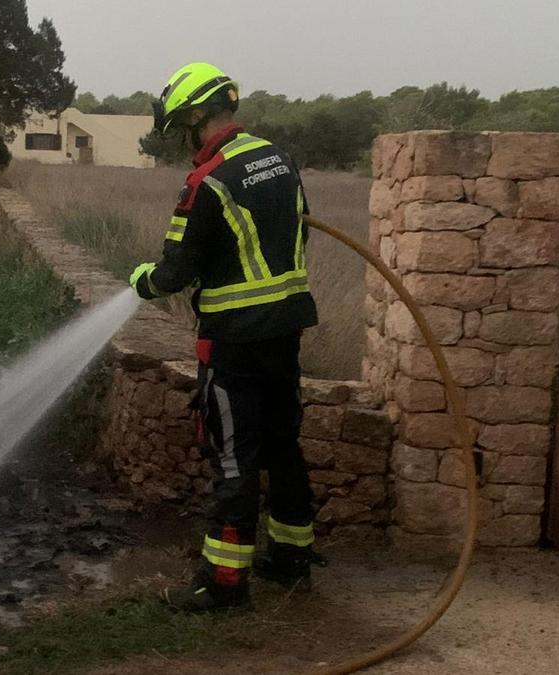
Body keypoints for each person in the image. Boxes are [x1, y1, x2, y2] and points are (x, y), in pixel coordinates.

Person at [130, 62, 324, 612]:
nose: (182, 140)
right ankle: (292, 561)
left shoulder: (208, 181)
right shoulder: (279, 161)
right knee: (283, 445)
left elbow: (174, 271)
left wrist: (140, 282)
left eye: (181, 127)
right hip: (285, 332)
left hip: (234, 341)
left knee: (234, 456)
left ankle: (223, 583)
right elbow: (298, 226)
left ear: (196, 115)